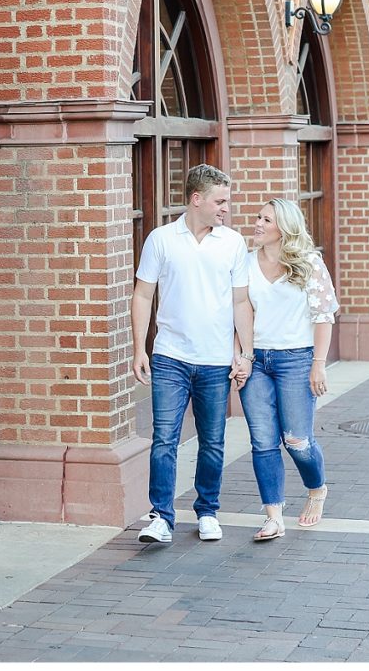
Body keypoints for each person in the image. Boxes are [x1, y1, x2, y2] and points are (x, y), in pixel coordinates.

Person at [128, 162, 255, 544]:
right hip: (170, 356)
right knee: (164, 438)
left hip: (216, 361)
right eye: (220, 201)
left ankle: (207, 511)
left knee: (212, 441)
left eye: (227, 202)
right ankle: (161, 518)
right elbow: (142, 295)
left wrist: (244, 353)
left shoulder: (232, 242)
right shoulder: (162, 239)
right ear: (196, 199)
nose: (225, 208)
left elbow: (241, 302)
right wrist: (140, 348)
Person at [240, 198, 336, 540]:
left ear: (284, 228)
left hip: (297, 359)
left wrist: (318, 365)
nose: (258, 223)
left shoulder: (308, 263)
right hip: (258, 362)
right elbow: (240, 314)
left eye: (266, 219)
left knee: (296, 440)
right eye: (258, 216)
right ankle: (273, 516)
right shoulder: (246, 263)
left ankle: (316, 489)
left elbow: (323, 316)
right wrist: (242, 355)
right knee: (263, 441)